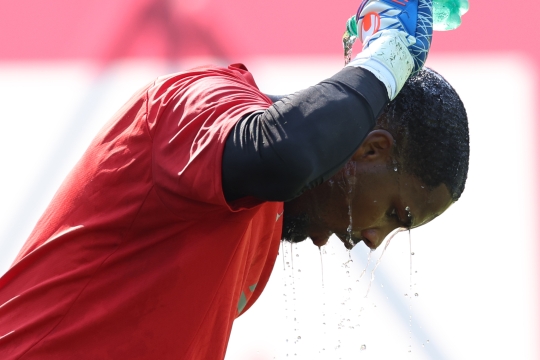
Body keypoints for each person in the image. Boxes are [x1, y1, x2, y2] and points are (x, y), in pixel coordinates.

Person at [0, 0, 468, 358]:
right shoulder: (201, 102)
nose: (371, 239)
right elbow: (284, 153)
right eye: (393, 214)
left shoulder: (261, 221)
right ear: (371, 149)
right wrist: (386, 57)